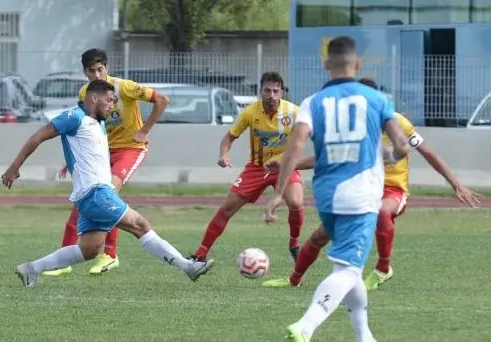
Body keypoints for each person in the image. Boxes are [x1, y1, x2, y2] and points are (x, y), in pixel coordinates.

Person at [262, 77, 482, 290]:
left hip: (393, 191)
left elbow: (429, 153)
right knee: (321, 235)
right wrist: (287, 165)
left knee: (381, 212)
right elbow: (327, 157)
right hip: (361, 190)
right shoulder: (352, 127)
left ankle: (383, 269)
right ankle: (294, 279)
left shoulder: (398, 123)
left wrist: (456, 184)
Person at [264, 36, 411, 342]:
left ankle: (363, 335)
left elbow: (295, 148)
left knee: (350, 269)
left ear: (325, 65)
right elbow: (401, 147)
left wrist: (278, 194)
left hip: (327, 196)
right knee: (347, 271)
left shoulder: (312, 102)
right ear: (357, 65)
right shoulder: (377, 100)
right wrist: (389, 157)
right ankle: (305, 326)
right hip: (361, 196)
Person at [3, 79, 213, 288]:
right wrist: (15, 167)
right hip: (96, 192)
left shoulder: (101, 119)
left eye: (114, 100)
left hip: (89, 195)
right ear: (94, 98)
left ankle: (31, 269)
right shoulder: (74, 117)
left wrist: (142, 123)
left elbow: (114, 122)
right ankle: (189, 267)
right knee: (140, 225)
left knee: (91, 249)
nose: (113, 105)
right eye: (109, 100)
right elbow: (38, 136)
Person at [46, 48, 170, 276]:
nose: (97, 75)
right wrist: (72, 160)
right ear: (85, 73)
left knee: (109, 193)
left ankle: (110, 255)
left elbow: (162, 100)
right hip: (102, 152)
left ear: (107, 68)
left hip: (131, 149)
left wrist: (144, 130)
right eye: (91, 71)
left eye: (100, 69)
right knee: (83, 202)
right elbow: (82, 127)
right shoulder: (86, 92)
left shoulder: (125, 87)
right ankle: (63, 260)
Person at [188, 72, 304, 263]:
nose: (271, 95)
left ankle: (294, 243)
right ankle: (200, 254)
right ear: (261, 91)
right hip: (256, 168)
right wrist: (223, 154)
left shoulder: (294, 112)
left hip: (284, 167)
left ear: (282, 92)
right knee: (227, 208)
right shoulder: (250, 112)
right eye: (267, 90)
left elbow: (310, 135)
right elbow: (229, 138)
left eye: (276, 91)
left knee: (296, 202)